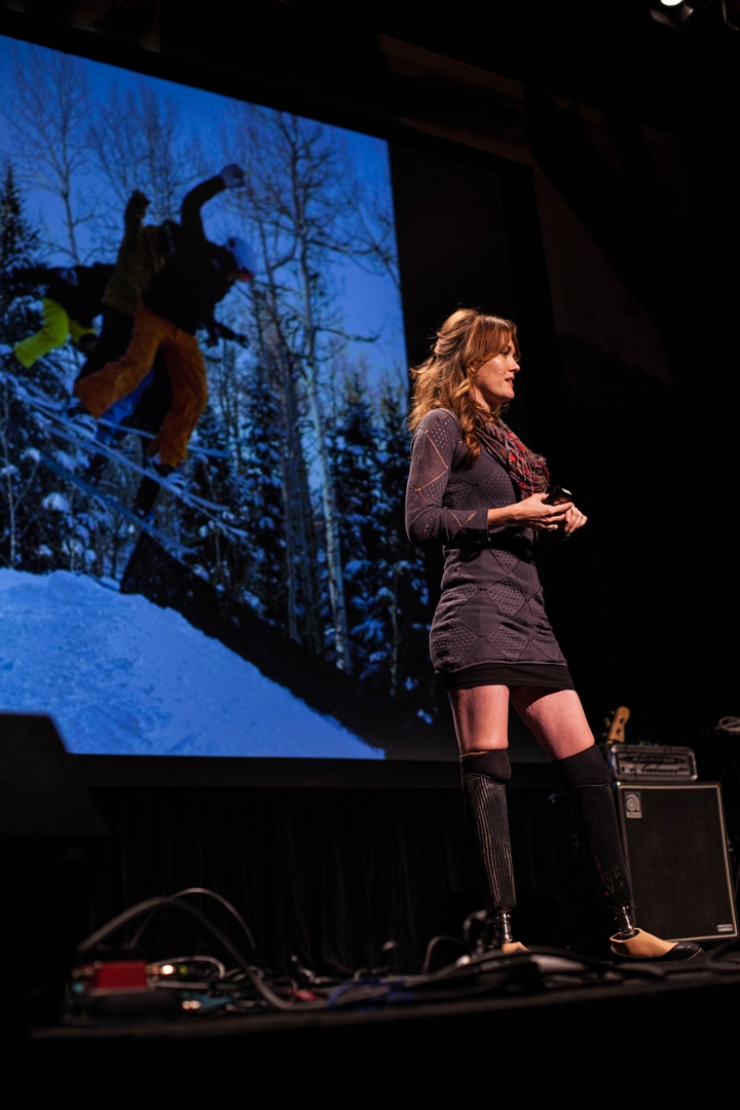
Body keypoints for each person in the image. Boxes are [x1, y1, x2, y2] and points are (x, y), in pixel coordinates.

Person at [405, 308, 700, 962]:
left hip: (529, 619)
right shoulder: (443, 426)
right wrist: (513, 511)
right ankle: (504, 936)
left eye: (515, 353)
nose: (515, 364)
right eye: (503, 354)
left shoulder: (505, 440)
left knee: (590, 771)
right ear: (470, 362)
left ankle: (623, 927)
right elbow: (420, 521)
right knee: (490, 769)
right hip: (476, 615)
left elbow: (513, 525)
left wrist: (554, 519)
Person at [72, 164, 254, 496]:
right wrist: (220, 182)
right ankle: (84, 406)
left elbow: (206, 313)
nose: (238, 282)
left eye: (244, 280)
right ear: (232, 260)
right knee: (138, 366)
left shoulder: (219, 286)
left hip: (182, 333)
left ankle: (166, 460)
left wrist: (222, 333)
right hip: (154, 313)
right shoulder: (200, 249)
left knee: (195, 393)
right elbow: (190, 204)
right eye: (241, 275)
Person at [6, 262, 113, 368]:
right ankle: (17, 358)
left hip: (79, 318)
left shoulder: (118, 300)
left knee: (97, 347)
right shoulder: (87, 276)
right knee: (56, 335)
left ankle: (100, 377)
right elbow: (48, 275)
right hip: (58, 302)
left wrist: (88, 340)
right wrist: (15, 276)